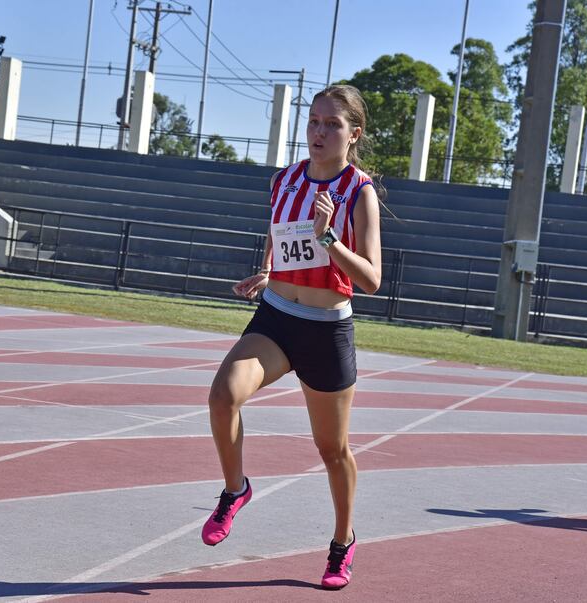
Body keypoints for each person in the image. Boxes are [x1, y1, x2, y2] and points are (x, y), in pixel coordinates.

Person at [201, 84, 382, 590]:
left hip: (326, 332)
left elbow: (370, 279)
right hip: (278, 318)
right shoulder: (285, 180)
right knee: (222, 395)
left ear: (353, 134)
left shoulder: (357, 191)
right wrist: (267, 270)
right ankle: (235, 490)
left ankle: (343, 542)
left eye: (332, 125)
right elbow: (279, 236)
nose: (320, 133)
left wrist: (330, 240)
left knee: (332, 450)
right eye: (314, 122)